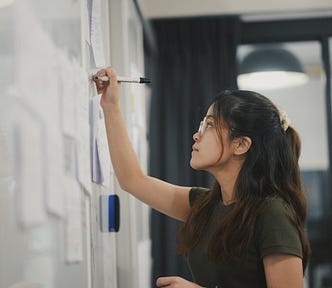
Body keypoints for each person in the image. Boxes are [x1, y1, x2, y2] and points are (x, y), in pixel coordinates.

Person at [94, 67, 310, 288]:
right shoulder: (206, 205)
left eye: (209, 125)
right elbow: (133, 180)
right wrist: (110, 107)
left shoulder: (272, 213)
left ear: (241, 144)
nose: (197, 135)